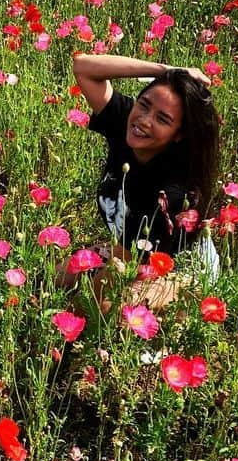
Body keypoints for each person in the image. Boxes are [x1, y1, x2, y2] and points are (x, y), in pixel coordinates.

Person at [66, 53, 221, 307]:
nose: (144, 121)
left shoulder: (170, 196)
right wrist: (170, 70)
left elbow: (123, 263)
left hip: (180, 271)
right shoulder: (129, 122)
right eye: (144, 104)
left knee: (104, 305)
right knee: (61, 275)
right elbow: (83, 67)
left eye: (163, 119)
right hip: (129, 249)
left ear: (179, 134)